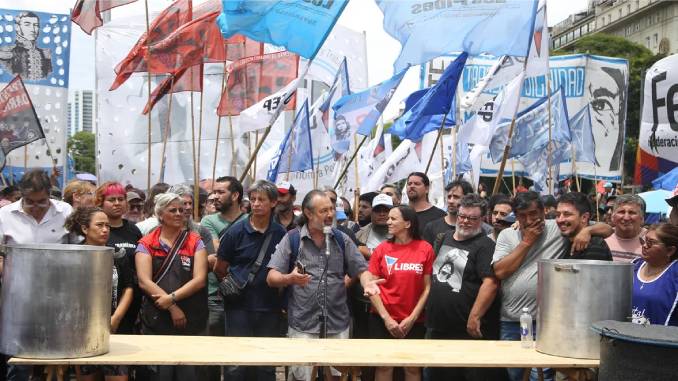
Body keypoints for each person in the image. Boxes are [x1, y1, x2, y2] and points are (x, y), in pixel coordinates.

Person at [492, 191, 612, 381]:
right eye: (522, 215)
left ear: (543, 212)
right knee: (513, 373)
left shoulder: (557, 228)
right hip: (512, 319)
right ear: (515, 216)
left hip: (547, 322)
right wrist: (526, 242)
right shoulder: (507, 235)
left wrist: (587, 231)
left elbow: (607, 229)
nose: (529, 220)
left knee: (542, 375)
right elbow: (500, 272)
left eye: (533, 213)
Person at [266, 190, 382, 381]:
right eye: (323, 211)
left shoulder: (342, 239)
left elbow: (362, 270)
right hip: (303, 323)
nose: (330, 215)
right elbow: (271, 277)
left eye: (331, 209)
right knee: (301, 377)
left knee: (336, 376)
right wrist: (289, 278)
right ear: (308, 213)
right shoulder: (292, 239)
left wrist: (368, 283)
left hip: (337, 322)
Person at [0, 169, 72, 381]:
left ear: (49, 195)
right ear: (21, 196)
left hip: (59, 297)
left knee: (58, 359)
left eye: (41, 203)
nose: (35, 208)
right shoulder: (5, 215)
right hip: (18, 296)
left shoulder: (65, 212)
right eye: (29, 202)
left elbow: (78, 248)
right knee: (18, 358)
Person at [214, 180, 287, 381]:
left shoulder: (281, 233)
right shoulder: (236, 232)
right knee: (236, 365)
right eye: (253, 199)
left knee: (265, 366)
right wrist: (233, 285)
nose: (256, 204)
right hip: (238, 307)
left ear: (273, 202)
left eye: (261, 199)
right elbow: (219, 267)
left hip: (268, 307)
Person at [426, 194, 504, 381]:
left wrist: (474, 317)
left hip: (466, 330)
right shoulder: (442, 238)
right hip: (437, 327)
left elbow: (491, 283)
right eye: (462, 216)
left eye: (472, 218)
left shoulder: (485, 245)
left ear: (483, 219)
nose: (465, 221)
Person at [135, 192, 207, 381]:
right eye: (172, 210)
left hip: (191, 314)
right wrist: (171, 306)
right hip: (157, 315)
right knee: (160, 371)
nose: (178, 214)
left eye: (181, 210)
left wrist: (172, 297)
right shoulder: (147, 243)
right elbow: (144, 281)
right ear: (160, 214)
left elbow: (200, 279)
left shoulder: (195, 241)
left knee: (188, 372)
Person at [64, 207, 133, 381]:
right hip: (83, 332)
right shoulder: (74, 255)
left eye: (107, 226)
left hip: (116, 329)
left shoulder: (118, 253)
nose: (105, 230)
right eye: (100, 225)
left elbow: (129, 288)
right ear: (85, 228)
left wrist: (116, 318)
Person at [368, 205, 432, 381]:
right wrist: (386, 319)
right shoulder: (381, 249)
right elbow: (372, 287)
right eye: (388, 218)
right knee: (384, 366)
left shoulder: (425, 248)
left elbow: (427, 287)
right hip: (382, 319)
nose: (388, 221)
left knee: (412, 368)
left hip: (413, 320)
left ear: (408, 223)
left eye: (393, 219)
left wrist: (412, 318)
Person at [95, 181, 143, 334]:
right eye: (111, 200)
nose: (117, 203)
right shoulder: (95, 231)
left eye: (121, 199)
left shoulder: (134, 230)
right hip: (100, 298)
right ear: (100, 203)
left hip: (129, 299)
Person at [631, 223, 678, 326]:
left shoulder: (675, 275)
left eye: (650, 243)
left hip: (661, 339)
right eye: (643, 240)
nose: (644, 246)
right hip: (625, 338)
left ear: (670, 250)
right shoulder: (634, 265)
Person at [556, 192, 612, 260]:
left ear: (584, 217)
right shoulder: (569, 241)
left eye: (567, 214)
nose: (560, 220)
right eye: (558, 215)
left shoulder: (594, 246)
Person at [0, 11, 52, 80]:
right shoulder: (7, 53)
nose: (33, 29)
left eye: (36, 25)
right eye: (27, 24)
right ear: (17, 27)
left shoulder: (45, 54)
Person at [422, 180, 473, 249]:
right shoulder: (432, 227)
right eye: (449, 197)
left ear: (468, 199)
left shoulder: (475, 229)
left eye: (456, 197)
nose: (451, 201)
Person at [604, 194, 646, 262]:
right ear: (612, 217)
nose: (626, 218)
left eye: (632, 213)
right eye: (621, 212)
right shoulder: (602, 239)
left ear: (642, 219)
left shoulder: (650, 240)